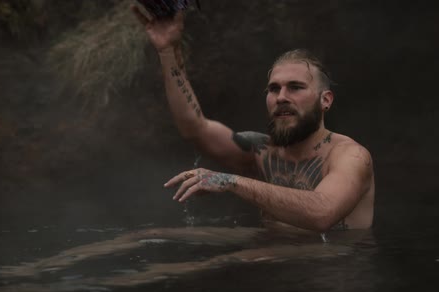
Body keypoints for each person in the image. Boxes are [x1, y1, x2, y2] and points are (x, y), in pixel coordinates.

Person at [132, 8, 375, 234]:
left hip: (332, 271)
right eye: (273, 89)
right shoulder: (261, 151)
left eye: (295, 87)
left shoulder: (351, 156)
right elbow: (194, 127)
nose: (281, 97)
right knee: (146, 238)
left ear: (326, 100)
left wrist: (230, 181)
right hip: (273, 261)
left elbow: (322, 214)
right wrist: (167, 51)